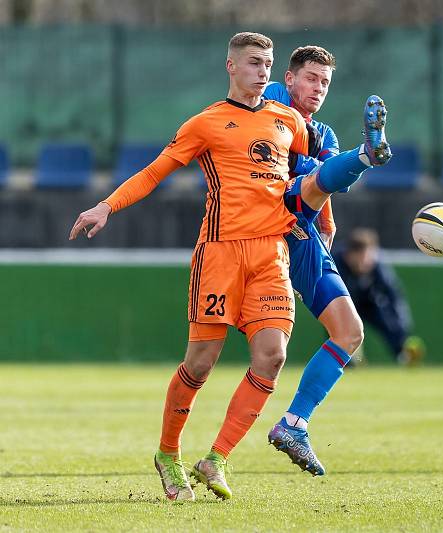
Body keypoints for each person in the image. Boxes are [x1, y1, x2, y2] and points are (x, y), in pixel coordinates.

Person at [68, 32, 390, 502]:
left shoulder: (289, 121)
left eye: (268, 63)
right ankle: (167, 454)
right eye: (255, 63)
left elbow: (314, 174)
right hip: (220, 253)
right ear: (232, 67)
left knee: (273, 356)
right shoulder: (207, 123)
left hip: (270, 255)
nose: (262, 71)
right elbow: (156, 170)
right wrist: (107, 206)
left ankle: (216, 458)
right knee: (200, 363)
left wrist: (325, 215)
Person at [260, 46, 391, 477]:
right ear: (291, 78)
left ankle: (294, 425)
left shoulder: (324, 134)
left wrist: (327, 218)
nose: (318, 88)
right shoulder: (271, 99)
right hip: (259, 221)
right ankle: (366, 156)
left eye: (325, 83)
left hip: (300, 232)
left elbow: (320, 183)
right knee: (206, 355)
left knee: (350, 332)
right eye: (311, 78)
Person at [334, 228, 425, 365]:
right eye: (361, 257)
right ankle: (348, 361)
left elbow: (393, 294)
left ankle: (403, 354)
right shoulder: (334, 263)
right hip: (343, 306)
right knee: (337, 328)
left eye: (368, 256)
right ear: (350, 255)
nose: (365, 262)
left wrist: (402, 322)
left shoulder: (377, 265)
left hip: (369, 303)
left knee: (388, 319)